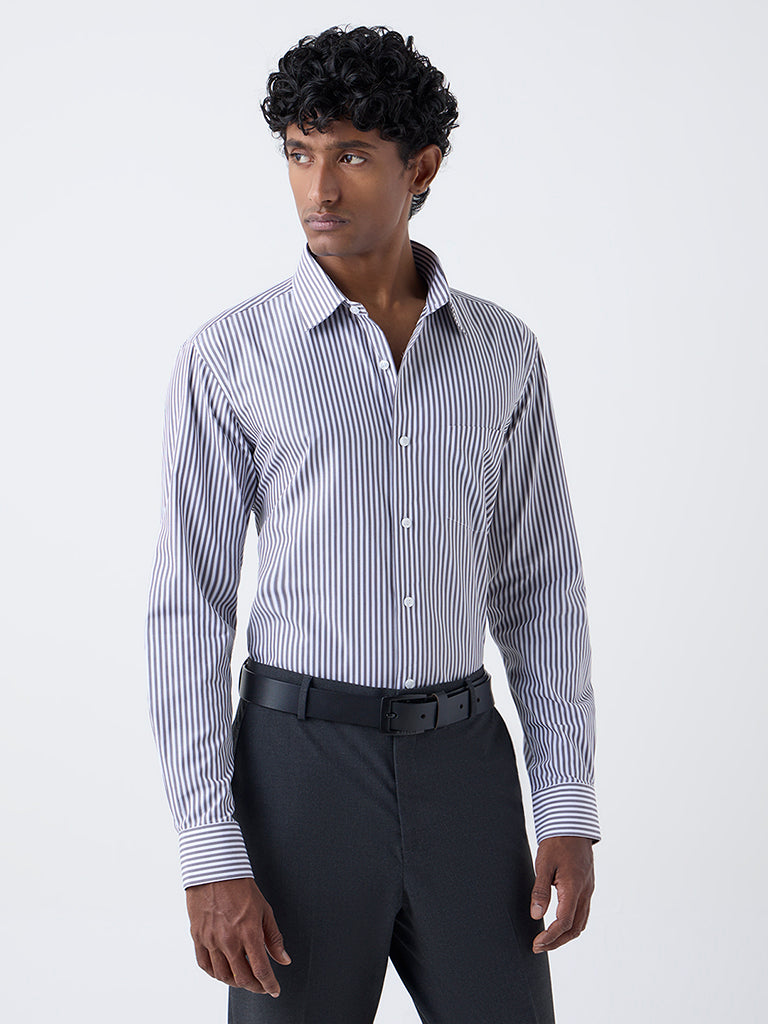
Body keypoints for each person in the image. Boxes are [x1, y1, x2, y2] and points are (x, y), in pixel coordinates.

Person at [146, 24, 600, 1024]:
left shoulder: (503, 355)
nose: (319, 188)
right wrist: (210, 847)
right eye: (299, 153)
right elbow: (188, 606)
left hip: (465, 770)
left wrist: (565, 802)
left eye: (351, 155)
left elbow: (540, 588)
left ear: (420, 168)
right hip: (297, 775)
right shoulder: (230, 357)